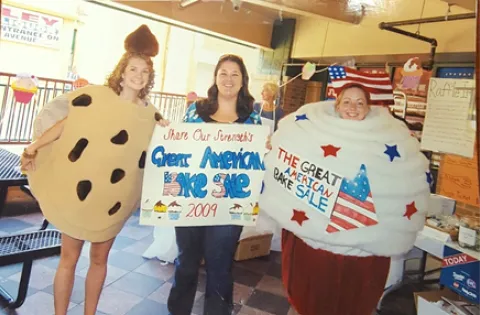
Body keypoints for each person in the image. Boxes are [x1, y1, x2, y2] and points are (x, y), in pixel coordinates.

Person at [20, 25, 168, 315]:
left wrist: (165, 132)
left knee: (100, 259)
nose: (138, 76)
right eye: (133, 69)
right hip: (81, 193)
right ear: (122, 72)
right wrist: (35, 145)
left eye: (144, 72)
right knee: (69, 258)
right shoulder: (97, 97)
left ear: (149, 78)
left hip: (115, 199)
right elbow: (67, 125)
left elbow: (163, 148)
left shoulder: (151, 114)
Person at [258, 81, 431, 315]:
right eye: (347, 102)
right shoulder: (313, 133)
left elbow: (403, 182)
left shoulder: (387, 139)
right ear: (337, 105)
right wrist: (278, 147)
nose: (353, 107)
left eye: (360, 103)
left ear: (369, 107)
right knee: (311, 302)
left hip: (362, 254)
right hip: (316, 246)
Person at [167, 54, 264, 315]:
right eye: (223, 73)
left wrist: (265, 150)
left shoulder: (252, 121)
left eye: (235, 74)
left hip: (229, 206)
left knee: (220, 267)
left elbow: (256, 163)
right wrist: (166, 133)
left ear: (243, 80)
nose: (228, 79)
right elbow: (177, 149)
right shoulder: (195, 111)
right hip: (191, 200)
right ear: (215, 77)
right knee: (186, 262)